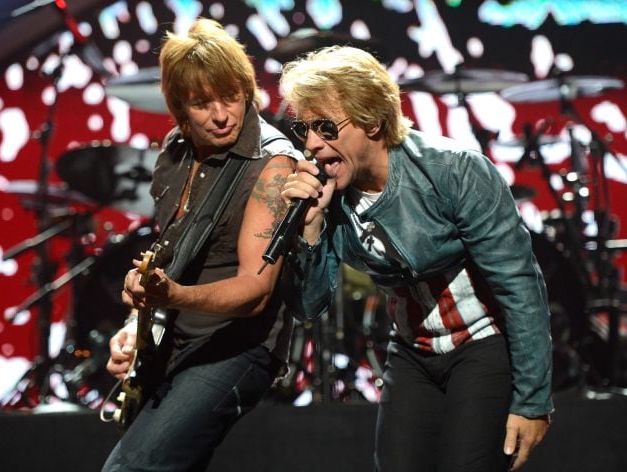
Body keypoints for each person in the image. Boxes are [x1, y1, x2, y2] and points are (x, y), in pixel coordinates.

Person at [279, 45, 552, 472]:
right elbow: (309, 305)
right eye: (304, 129)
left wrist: (533, 400)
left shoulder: (454, 170)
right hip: (411, 353)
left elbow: (520, 285)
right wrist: (310, 230)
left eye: (326, 127)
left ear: (371, 119)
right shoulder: (329, 198)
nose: (313, 144)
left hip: (482, 344)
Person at [102, 18, 302, 471]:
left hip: (238, 348)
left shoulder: (270, 165)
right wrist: (138, 324)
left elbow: (255, 291)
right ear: (178, 108)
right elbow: (172, 258)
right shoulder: (174, 151)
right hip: (175, 339)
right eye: (201, 103)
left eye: (231, 96)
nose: (221, 114)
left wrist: (173, 295)